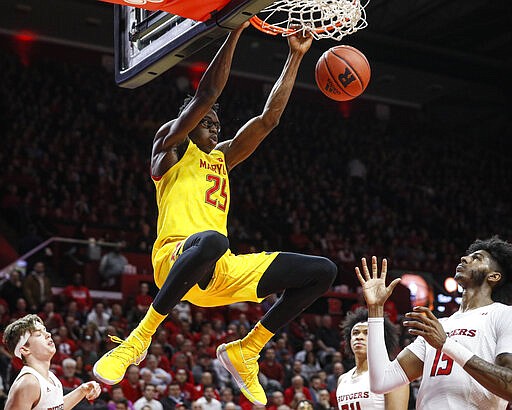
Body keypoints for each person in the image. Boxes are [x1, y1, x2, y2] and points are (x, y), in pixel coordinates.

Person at [93, 20, 336, 408]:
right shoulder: (169, 148)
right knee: (212, 240)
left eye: (216, 125)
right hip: (175, 257)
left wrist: (295, 56)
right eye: (207, 123)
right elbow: (205, 95)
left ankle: (247, 349)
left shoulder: (221, 159)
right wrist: (234, 29)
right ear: (187, 125)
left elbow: (267, 120)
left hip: (219, 269)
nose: (214, 127)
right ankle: (140, 336)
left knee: (322, 271)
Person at [354, 236, 512, 410]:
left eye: (477, 258)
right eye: (468, 256)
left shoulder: (504, 314)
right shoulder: (439, 326)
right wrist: (375, 310)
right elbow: (382, 381)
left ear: (494, 276)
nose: (464, 258)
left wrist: (446, 344)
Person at [2, 314, 101, 410]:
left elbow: (55, 407)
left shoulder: (50, 377)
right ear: (25, 350)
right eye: (38, 334)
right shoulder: (28, 383)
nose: (48, 334)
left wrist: (82, 390)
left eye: (45, 330)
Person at [336, 308, 408, 410]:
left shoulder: (394, 374)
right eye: (355, 333)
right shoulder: (342, 379)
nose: (359, 337)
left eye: (367, 333)